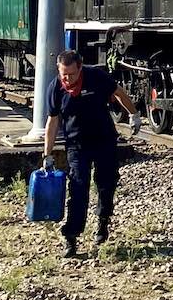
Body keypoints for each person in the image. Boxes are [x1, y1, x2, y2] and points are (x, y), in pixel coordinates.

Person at [42, 50, 142, 257]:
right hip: (77, 145)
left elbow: (119, 93)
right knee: (78, 189)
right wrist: (47, 154)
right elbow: (52, 121)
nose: (67, 78)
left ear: (80, 67)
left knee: (106, 184)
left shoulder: (96, 77)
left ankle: (102, 223)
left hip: (104, 140)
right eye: (63, 74)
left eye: (70, 74)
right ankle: (71, 236)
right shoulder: (56, 88)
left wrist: (134, 114)